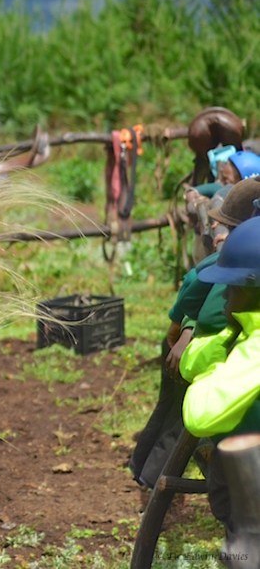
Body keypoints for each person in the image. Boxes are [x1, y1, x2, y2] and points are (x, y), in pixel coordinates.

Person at [129, 178, 260, 489]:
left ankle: (147, 472)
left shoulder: (229, 257)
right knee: (175, 420)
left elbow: (191, 289)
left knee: (174, 415)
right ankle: (149, 474)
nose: (217, 234)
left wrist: (183, 325)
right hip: (204, 352)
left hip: (200, 353)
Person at [180, 214, 260, 540]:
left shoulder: (254, 349)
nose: (225, 295)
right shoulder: (243, 334)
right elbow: (189, 361)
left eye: (233, 286)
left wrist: (213, 372)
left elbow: (200, 415)